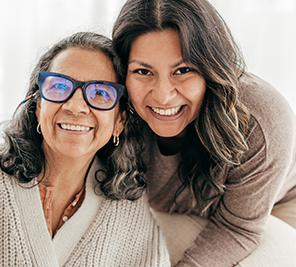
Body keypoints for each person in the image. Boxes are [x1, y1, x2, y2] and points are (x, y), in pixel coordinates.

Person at [0, 32, 170, 266]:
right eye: (59, 87)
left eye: (100, 93)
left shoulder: (133, 214)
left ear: (120, 121)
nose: (76, 106)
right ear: (38, 106)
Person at [112, 0, 296, 266]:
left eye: (183, 70)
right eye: (143, 71)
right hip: (179, 209)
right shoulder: (109, 105)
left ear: (212, 68)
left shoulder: (260, 116)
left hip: (276, 205)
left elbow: (237, 228)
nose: (163, 96)